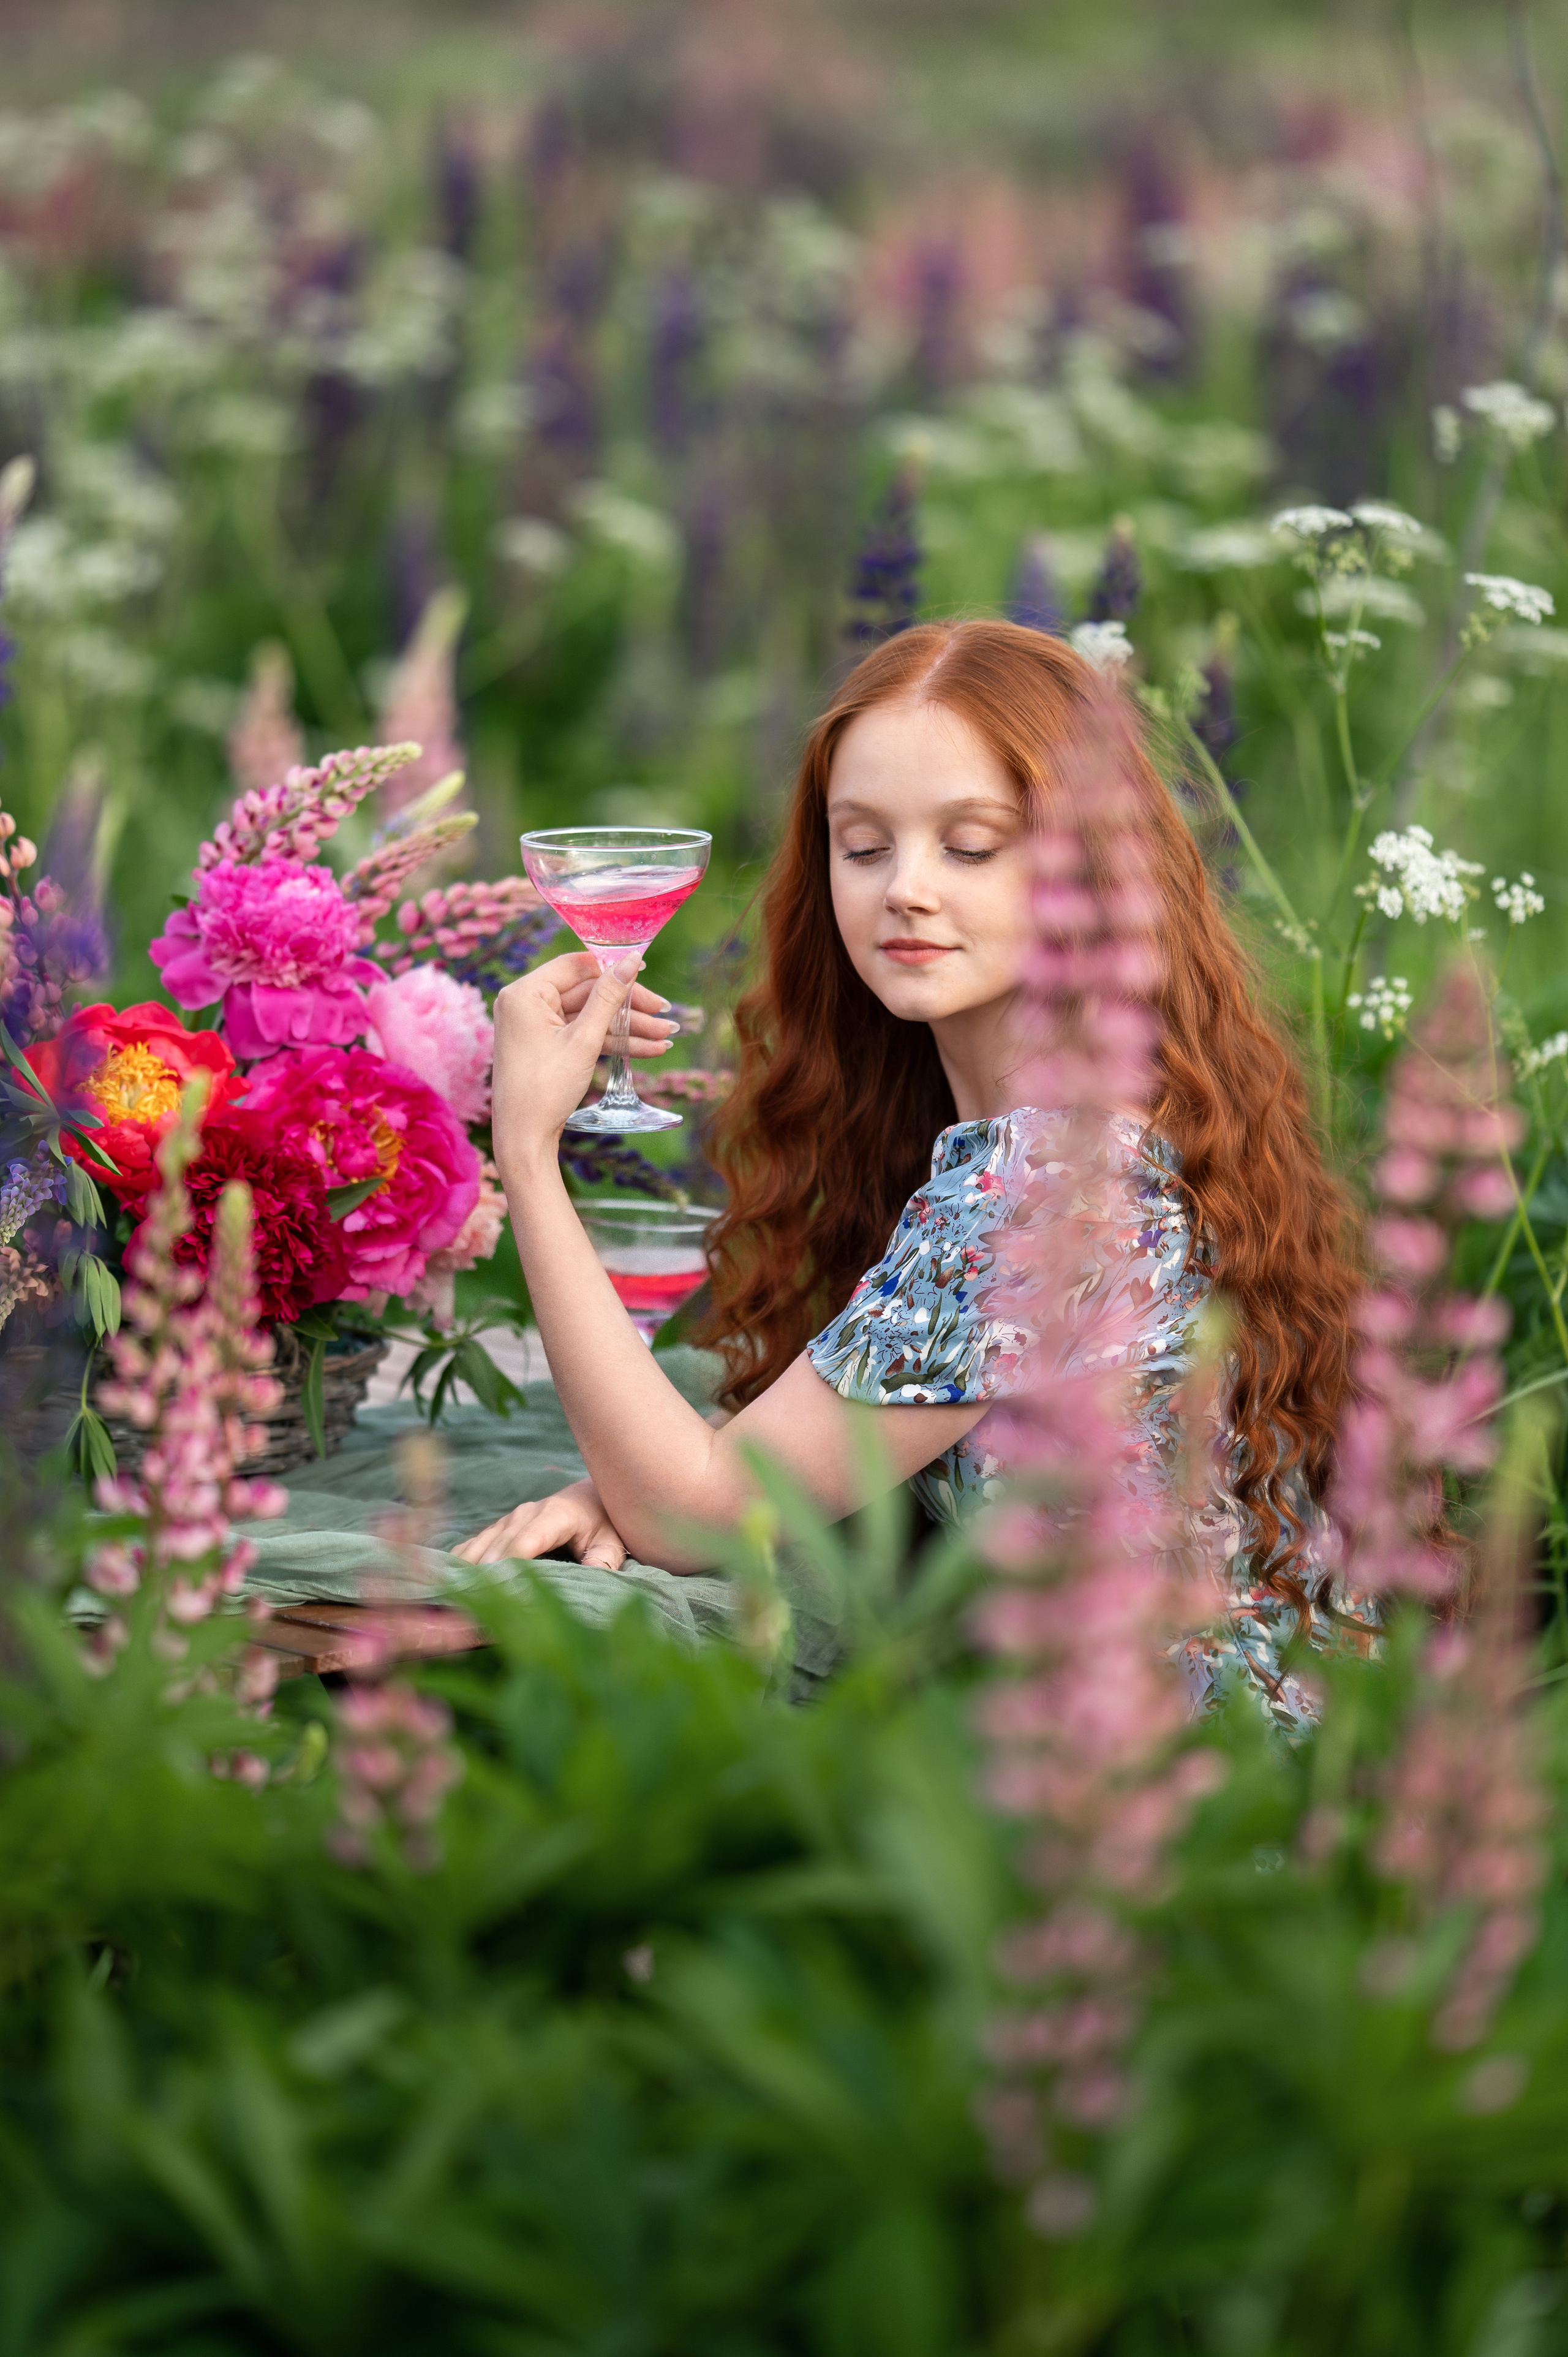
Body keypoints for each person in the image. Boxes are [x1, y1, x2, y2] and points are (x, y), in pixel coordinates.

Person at [456, 621, 1368, 1730]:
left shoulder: (1052, 1190)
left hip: (1172, 1820)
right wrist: (630, 1482)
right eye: (864, 844)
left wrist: (526, 1149)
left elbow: (695, 1514)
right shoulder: (1046, 1130)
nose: (907, 891)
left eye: (974, 846)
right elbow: (781, 1466)